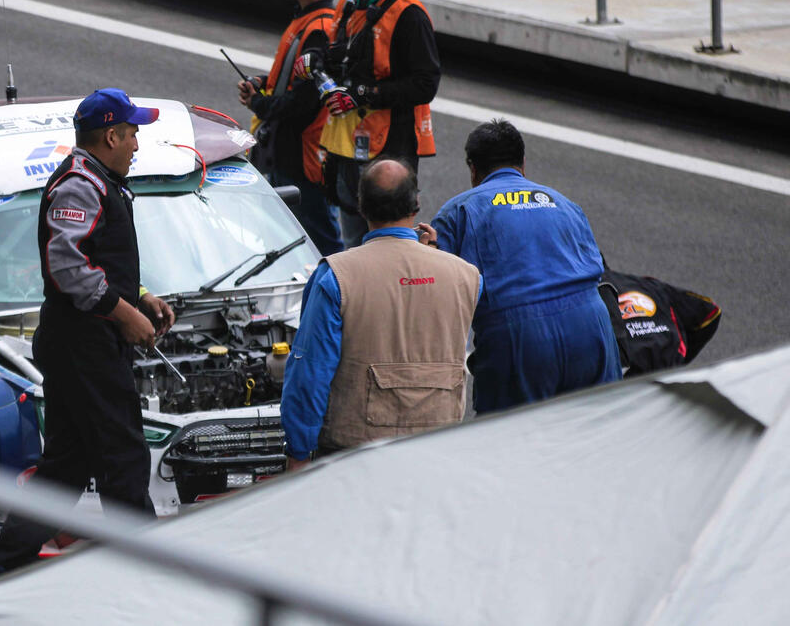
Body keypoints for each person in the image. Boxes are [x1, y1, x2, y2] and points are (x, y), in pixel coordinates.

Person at [0, 88, 175, 580]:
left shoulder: (99, 179)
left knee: (65, 470)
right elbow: (68, 266)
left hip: (84, 342)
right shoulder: (80, 185)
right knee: (123, 458)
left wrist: (142, 294)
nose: (136, 145)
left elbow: (97, 259)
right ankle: (154, 577)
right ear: (111, 135)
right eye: (131, 134)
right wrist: (126, 314)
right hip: (83, 347)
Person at [280, 158, 480, 466]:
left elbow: (310, 374)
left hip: (354, 454)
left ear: (361, 207)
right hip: (438, 448)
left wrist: (298, 451)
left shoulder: (335, 277)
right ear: (416, 204)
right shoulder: (466, 276)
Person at [422, 119, 621, 413]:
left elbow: (441, 295)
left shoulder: (459, 211)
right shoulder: (565, 203)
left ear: (473, 169)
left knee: (512, 445)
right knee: (595, 438)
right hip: (592, 327)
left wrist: (427, 255)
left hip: (521, 337)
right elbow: (595, 268)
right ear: (523, 163)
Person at [306, 0, 440, 247]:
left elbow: (425, 84)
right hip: (347, 146)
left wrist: (363, 94)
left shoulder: (410, 15)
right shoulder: (350, 1)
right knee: (353, 235)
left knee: (392, 239)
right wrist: (319, 67)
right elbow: (336, 52)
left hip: (390, 149)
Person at [237, 0, 342, 255]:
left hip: (305, 161)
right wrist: (264, 81)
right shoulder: (310, 21)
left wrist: (259, 102)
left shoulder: (319, 30)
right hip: (295, 157)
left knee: (320, 246)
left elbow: (303, 101)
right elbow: (295, 79)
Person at [600, 263, 721, 376]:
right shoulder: (648, 284)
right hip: (666, 373)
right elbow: (710, 311)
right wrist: (682, 358)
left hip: (623, 381)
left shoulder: (589, 298)